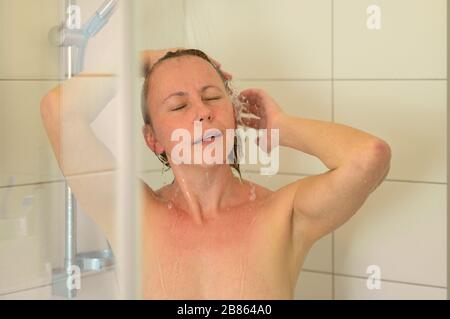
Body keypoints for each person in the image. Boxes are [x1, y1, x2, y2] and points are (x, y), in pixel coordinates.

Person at [40, 47, 391, 299]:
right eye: (178, 105)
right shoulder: (132, 213)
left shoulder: (282, 215)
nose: (202, 114)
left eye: (212, 98)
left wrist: (280, 127)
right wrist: (141, 59)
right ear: (153, 140)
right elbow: (58, 111)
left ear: (234, 117)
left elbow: (368, 157)